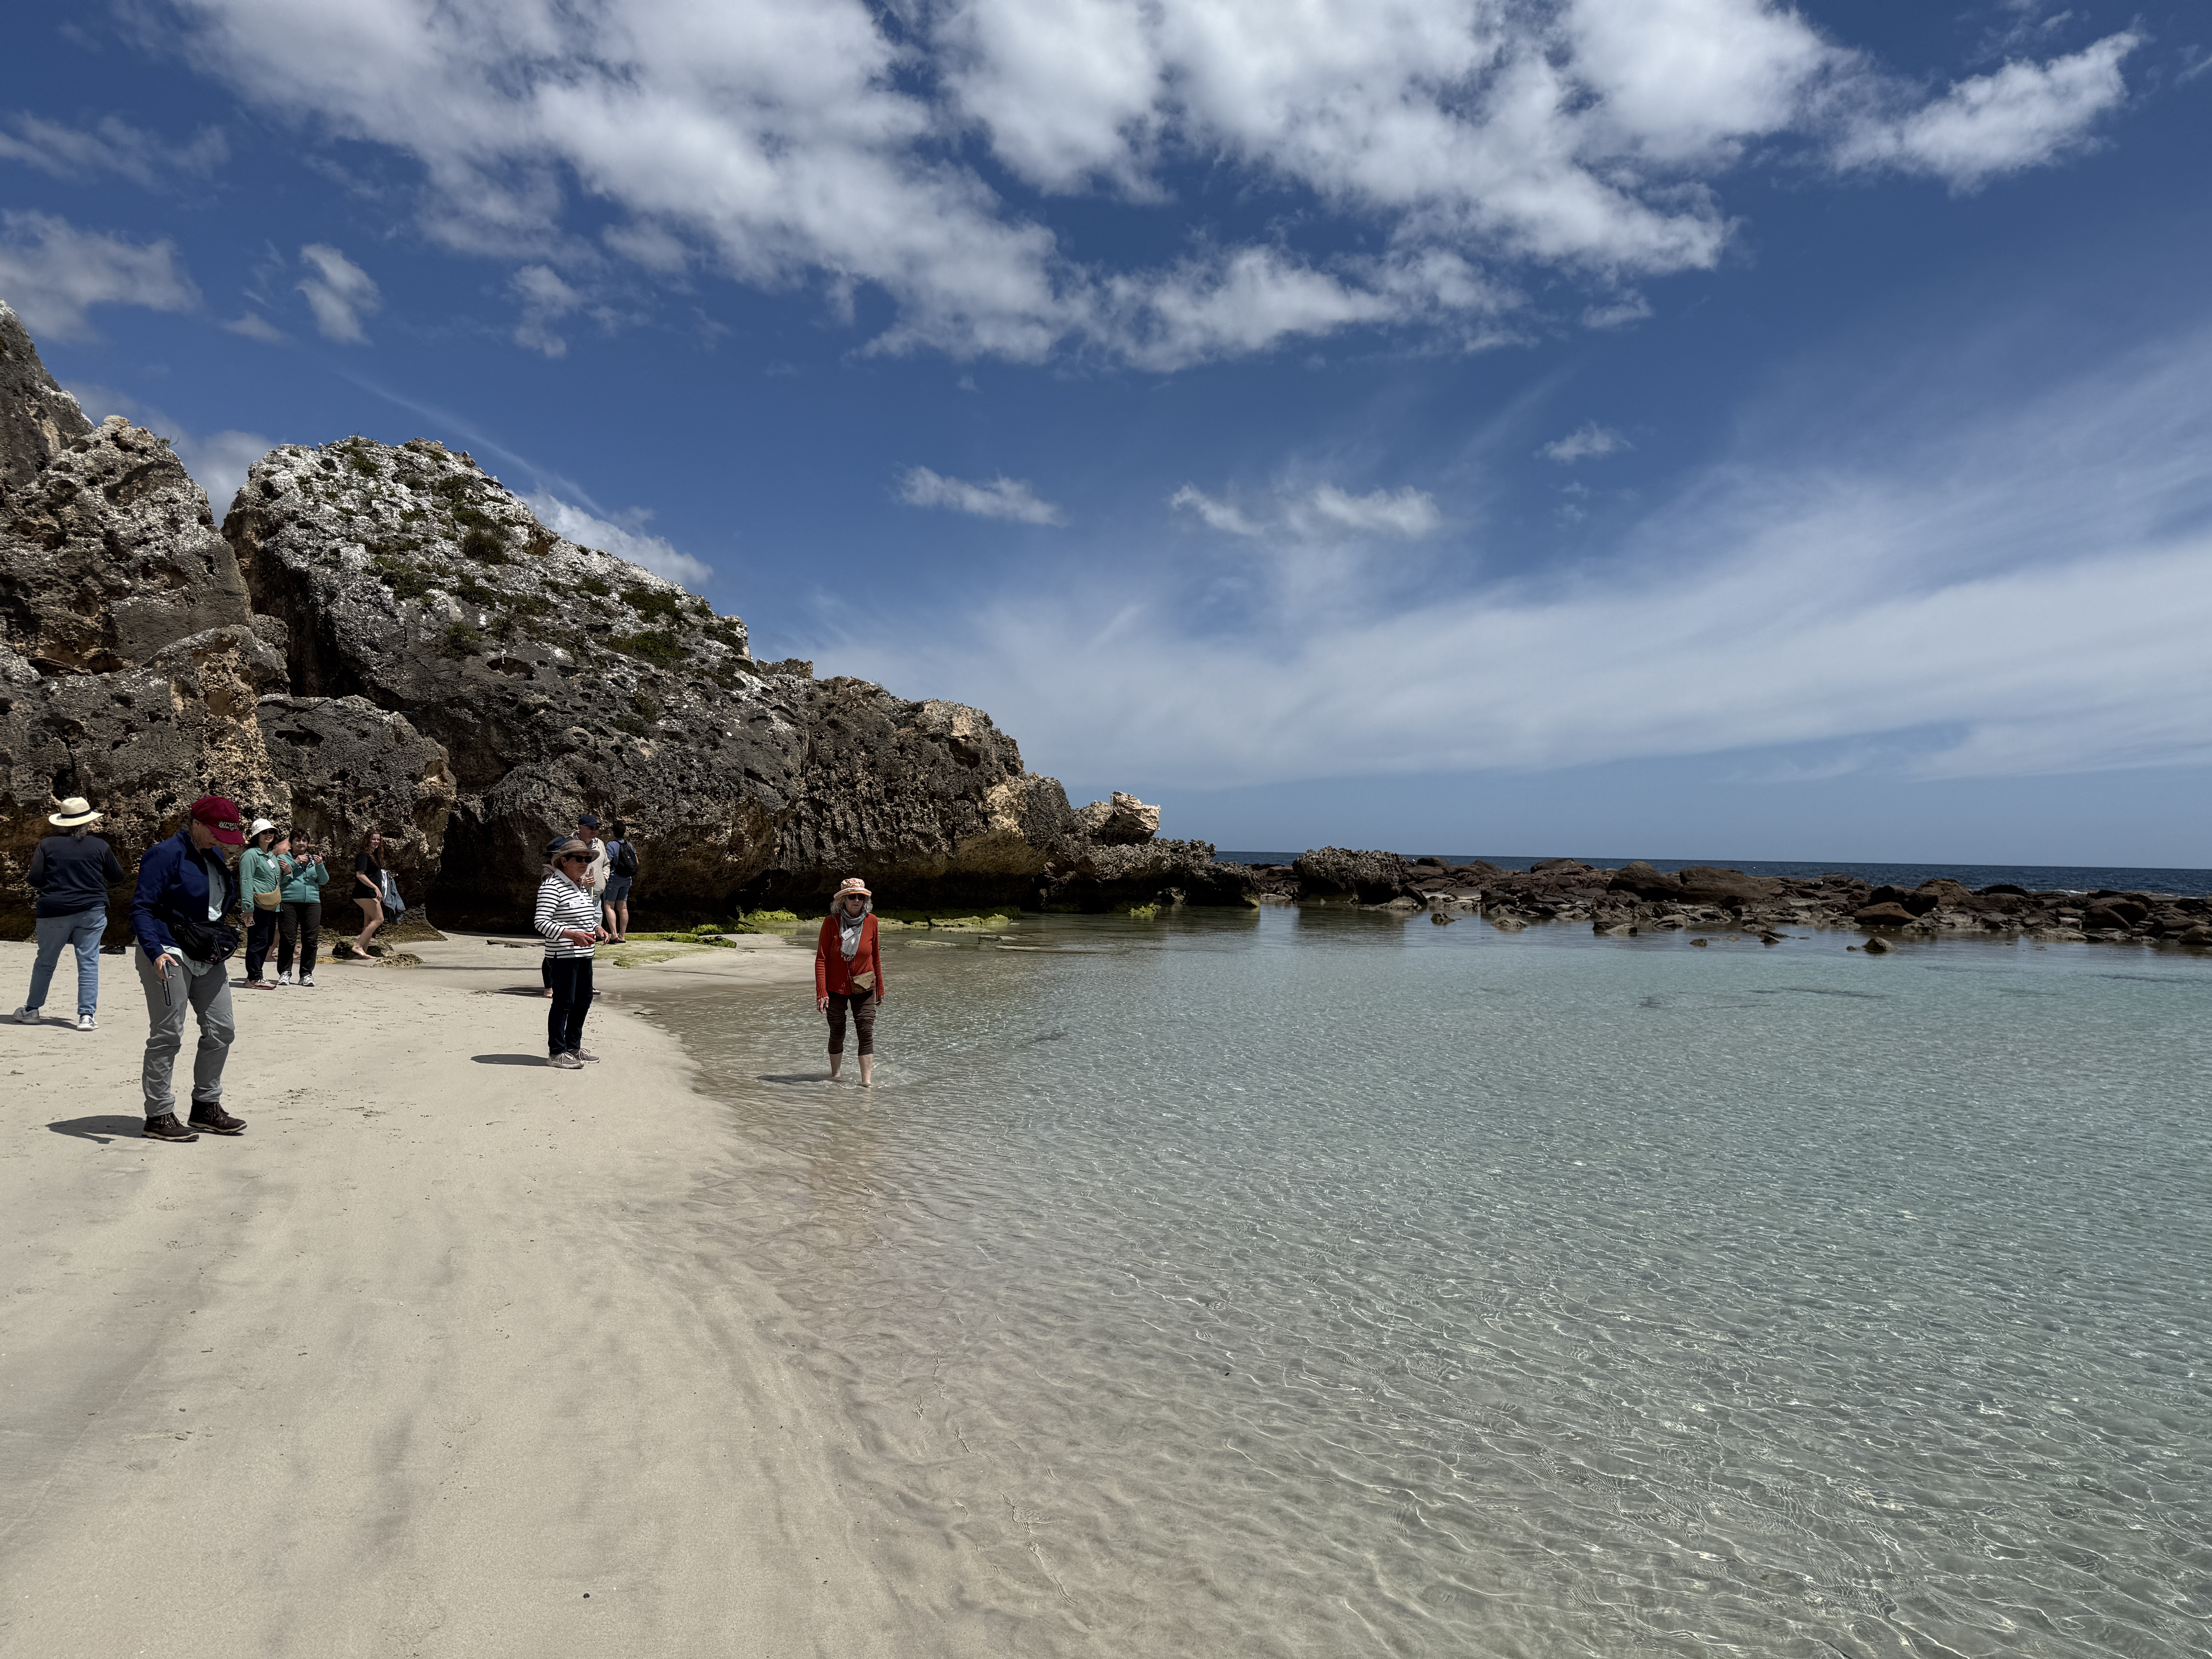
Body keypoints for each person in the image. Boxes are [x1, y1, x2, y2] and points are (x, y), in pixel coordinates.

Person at [129, 795, 250, 1142]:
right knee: (168, 1034)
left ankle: (205, 1108)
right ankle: (158, 1116)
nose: (219, 841)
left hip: (206, 952)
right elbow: (141, 908)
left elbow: (212, 906)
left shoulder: (214, 855)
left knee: (222, 1030)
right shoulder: (165, 854)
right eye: (214, 833)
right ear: (196, 823)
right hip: (167, 951)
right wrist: (154, 952)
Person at [10, 795, 127, 1031]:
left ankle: (32, 1010)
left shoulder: (47, 845)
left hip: (54, 909)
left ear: (62, 823)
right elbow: (117, 877)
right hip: (92, 909)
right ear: (88, 822)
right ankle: (86, 1016)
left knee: (45, 961)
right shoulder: (100, 846)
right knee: (89, 962)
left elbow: (35, 878)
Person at [535, 838, 605, 1070]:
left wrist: (597, 928)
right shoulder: (551, 886)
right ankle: (556, 1053)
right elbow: (541, 923)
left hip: (585, 954)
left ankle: (573, 1048)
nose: (585, 863)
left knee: (583, 1000)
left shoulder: (580, 886)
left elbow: (584, 919)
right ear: (564, 861)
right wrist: (570, 935)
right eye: (579, 858)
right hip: (563, 955)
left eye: (587, 859)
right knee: (564, 1003)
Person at [814, 877, 886, 1086]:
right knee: (837, 1032)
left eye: (861, 897)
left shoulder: (872, 921)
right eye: (852, 897)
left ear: (865, 901)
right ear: (843, 900)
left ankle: (866, 1084)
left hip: (865, 986)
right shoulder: (831, 923)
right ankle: (835, 1076)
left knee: (866, 1031)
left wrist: (880, 988)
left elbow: (876, 956)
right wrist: (821, 992)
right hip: (835, 987)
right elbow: (821, 959)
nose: (857, 901)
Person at [276, 833, 329, 986]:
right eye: (298, 840)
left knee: (311, 940)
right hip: (289, 902)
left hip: (312, 903)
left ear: (308, 844)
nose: (301, 843)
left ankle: (306, 974)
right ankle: (285, 972)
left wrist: (320, 865)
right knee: (288, 939)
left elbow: (324, 881)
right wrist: (295, 863)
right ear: (291, 843)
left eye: (304, 840)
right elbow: (279, 880)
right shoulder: (283, 859)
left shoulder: (313, 860)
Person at [238, 819, 284, 988]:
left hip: (272, 906)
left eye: (271, 832)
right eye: (264, 832)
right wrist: (248, 908)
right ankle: (254, 978)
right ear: (257, 835)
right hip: (258, 906)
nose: (268, 835)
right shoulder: (250, 855)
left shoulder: (271, 856)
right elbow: (246, 881)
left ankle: (257, 975)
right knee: (258, 941)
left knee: (268, 940)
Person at [349, 828, 388, 958]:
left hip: (371, 894)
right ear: (368, 840)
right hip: (365, 893)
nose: (376, 842)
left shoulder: (374, 856)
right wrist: (375, 888)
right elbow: (360, 875)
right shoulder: (363, 856)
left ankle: (363, 952)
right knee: (379, 919)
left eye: (378, 840)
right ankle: (358, 946)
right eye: (374, 839)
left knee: (369, 923)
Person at [602, 818, 637, 942]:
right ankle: (622, 936)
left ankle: (614, 936)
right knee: (623, 908)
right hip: (627, 879)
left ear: (613, 832)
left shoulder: (611, 845)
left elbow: (608, 861)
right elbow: (636, 861)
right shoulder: (629, 845)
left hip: (614, 879)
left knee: (609, 906)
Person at [575, 813, 610, 905]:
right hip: (576, 897)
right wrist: (580, 883)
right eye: (591, 828)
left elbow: (606, 864)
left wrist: (604, 880)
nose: (594, 831)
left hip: (596, 899)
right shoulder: (571, 844)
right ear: (580, 827)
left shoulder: (600, 844)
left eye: (597, 828)